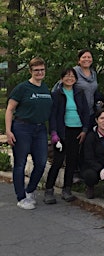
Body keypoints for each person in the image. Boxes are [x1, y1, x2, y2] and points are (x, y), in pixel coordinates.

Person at [6, 57, 53, 209]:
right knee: (20, 163)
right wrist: (8, 131)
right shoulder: (22, 88)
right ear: (31, 71)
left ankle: (30, 190)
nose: (39, 72)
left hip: (40, 129)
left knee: (41, 162)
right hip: (22, 128)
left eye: (42, 70)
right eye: (36, 70)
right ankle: (21, 197)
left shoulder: (45, 88)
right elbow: (10, 109)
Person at [44, 68, 89, 204]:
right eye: (67, 76)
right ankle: (49, 190)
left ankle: (67, 189)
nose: (70, 78)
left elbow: (86, 112)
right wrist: (53, 133)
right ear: (62, 78)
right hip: (62, 131)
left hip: (77, 130)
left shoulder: (80, 93)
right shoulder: (57, 94)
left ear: (75, 79)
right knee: (58, 161)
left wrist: (84, 130)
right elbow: (52, 115)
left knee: (72, 161)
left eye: (72, 76)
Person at [72, 49, 104, 129]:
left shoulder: (93, 73)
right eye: (84, 57)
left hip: (91, 113)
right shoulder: (73, 72)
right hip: (77, 113)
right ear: (79, 60)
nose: (87, 59)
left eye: (89, 57)